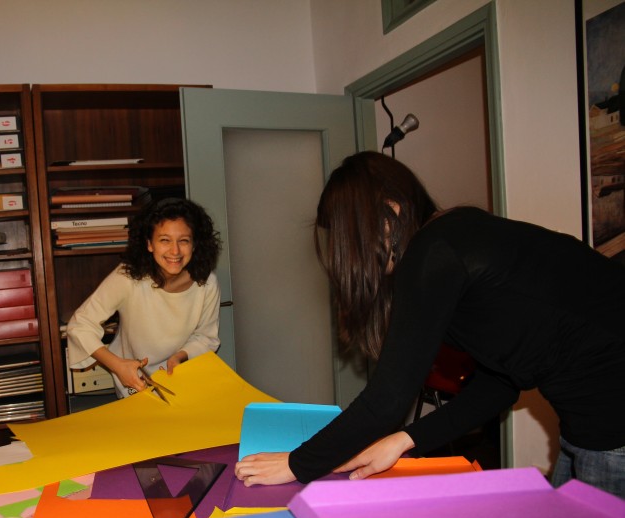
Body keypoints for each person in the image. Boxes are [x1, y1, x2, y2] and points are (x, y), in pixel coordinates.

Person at [235, 151, 625, 498]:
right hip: (589, 416)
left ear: (391, 211)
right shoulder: (453, 238)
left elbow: (387, 399)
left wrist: (297, 464)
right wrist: (404, 440)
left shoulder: (435, 253)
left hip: (610, 416)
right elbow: (500, 383)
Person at [66, 197, 222, 398]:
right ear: (149, 244)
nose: (175, 251)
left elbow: (206, 337)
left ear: (194, 245)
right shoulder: (127, 278)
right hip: (134, 380)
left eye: (183, 240)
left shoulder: (207, 283)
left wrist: (180, 357)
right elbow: (80, 325)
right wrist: (118, 366)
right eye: (164, 240)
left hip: (182, 377)